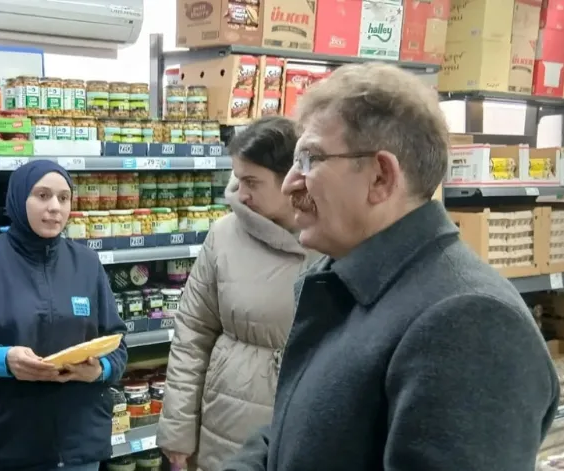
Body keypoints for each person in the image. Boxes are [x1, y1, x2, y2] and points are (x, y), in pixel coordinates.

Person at [223, 62, 560, 471]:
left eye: (309, 159)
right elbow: (290, 434)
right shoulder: (347, 279)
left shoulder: (470, 323)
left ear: (381, 177)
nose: (290, 183)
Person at [0, 160, 128, 471]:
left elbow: (118, 345)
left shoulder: (87, 264)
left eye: (64, 198)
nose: (55, 207)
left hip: (79, 448)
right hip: (7, 449)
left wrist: (98, 370)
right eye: (43, 195)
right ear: (18, 198)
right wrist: (3, 360)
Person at [157, 117, 317, 471]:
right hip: (227, 427)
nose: (241, 194)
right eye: (238, 179)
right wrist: (178, 432)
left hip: (307, 425)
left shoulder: (335, 237)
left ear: (291, 177)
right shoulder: (224, 236)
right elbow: (192, 334)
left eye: (252, 182)